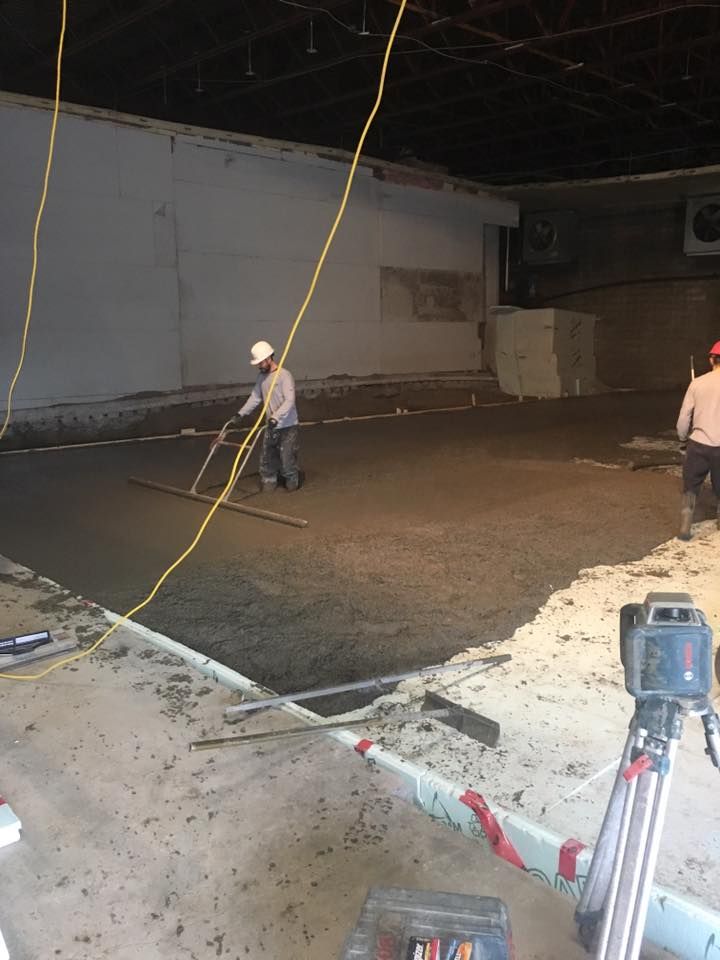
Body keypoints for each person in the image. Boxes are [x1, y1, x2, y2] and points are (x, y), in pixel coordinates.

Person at [230, 340, 301, 493]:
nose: (259, 366)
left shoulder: (284, 376)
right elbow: (255, 397)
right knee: (268, 455)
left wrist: (276, 416)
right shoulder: (261, 378)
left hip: (287, 425)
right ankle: (269, 479)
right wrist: (240, 413)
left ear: (269, 358)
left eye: (260, 362)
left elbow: (289, 401)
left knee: (286, 456)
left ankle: (291, 478)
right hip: (271, 425)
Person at [676, 339, 720, 540]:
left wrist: (683, 438)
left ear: (712, 359)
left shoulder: (697, 383)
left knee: (691, 485)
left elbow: (684, 417)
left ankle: (686, 523)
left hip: (699, 443)